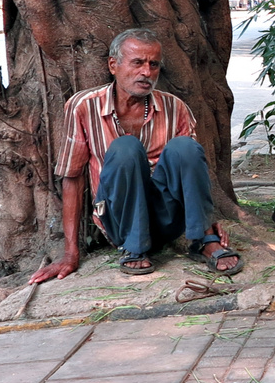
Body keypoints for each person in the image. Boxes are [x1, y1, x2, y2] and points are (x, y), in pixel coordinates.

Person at [29, 28, 243, 283]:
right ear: (113, 65)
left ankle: (204, 241)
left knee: (185, 147)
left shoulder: (175, 107)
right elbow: (72, 177)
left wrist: (208, 220)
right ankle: (134, 246)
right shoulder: (84, 106)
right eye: (138, 63)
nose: (146, 72)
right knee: (125, 148)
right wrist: (70, 253)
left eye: (154, 65)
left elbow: (192, 172)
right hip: (119, 217)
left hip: (168, 219)